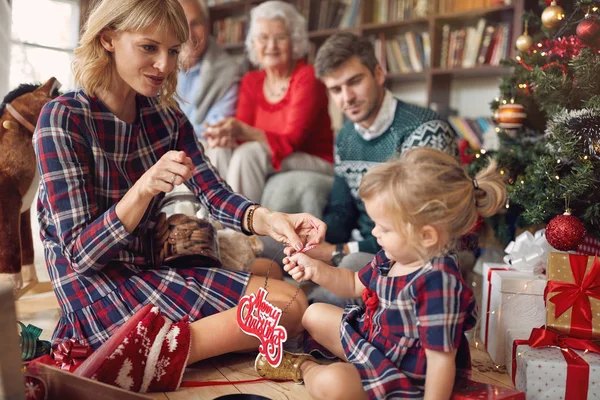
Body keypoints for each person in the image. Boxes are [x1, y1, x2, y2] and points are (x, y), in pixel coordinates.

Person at [33, 0, 322, 392]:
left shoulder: (166, 118)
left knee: (290, 301)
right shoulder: (62, 118)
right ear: (109, 39)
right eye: (149, 48)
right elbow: (81, 255)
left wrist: (271, 219)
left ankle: (155, 349)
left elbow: (215, 195)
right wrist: (143, 188)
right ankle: (149, 348)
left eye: (172, 50)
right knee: (284, 308)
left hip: (151, 271)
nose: (165, 66)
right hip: (94, 289)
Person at [256, 147, 506, 400]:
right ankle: (347, 370)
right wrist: (316, 269)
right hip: (373, 345)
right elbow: (353, 283)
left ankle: (304, 367)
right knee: (313, 313)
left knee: (335, 383)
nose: (374, 233)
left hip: (402, 379)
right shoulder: (393, 256)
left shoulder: (439, 282)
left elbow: (441, 361)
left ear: (426, 235)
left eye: (384, 228)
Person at [304, 32, 457, 307]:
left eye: (354, 82)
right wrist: (313, 243)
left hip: (408, 254)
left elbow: (420, 230)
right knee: (280, 248)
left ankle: (311, 311)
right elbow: (341, 210)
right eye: (335, 89)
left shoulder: (425, 131)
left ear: (378, 73)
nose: (347, 98)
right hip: (365, 245)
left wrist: (338, 251)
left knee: (350, 265)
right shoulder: (345, 136)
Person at [203, 0, 334, 203]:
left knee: (248, 154)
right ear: (254, 43)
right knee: (219, 150)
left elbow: (292, 140)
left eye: (280, 37)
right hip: (271, 153)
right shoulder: (252, 81)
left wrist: (241, 131)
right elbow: (242, 131)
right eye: (263, 38)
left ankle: (243, 230)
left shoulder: (307, 77)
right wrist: (226, 136)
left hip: (312, 158)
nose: (271, 46)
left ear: (295, 41)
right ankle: (211, 225)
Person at [176, 0, 241, 174]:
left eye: (195, 23)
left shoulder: (228, 72)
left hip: (203, 147)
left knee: (219, 148)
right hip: (165, 148)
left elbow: (216, 129)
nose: (189, 34)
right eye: (181, 24)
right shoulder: (157, 67)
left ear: (207, 25)